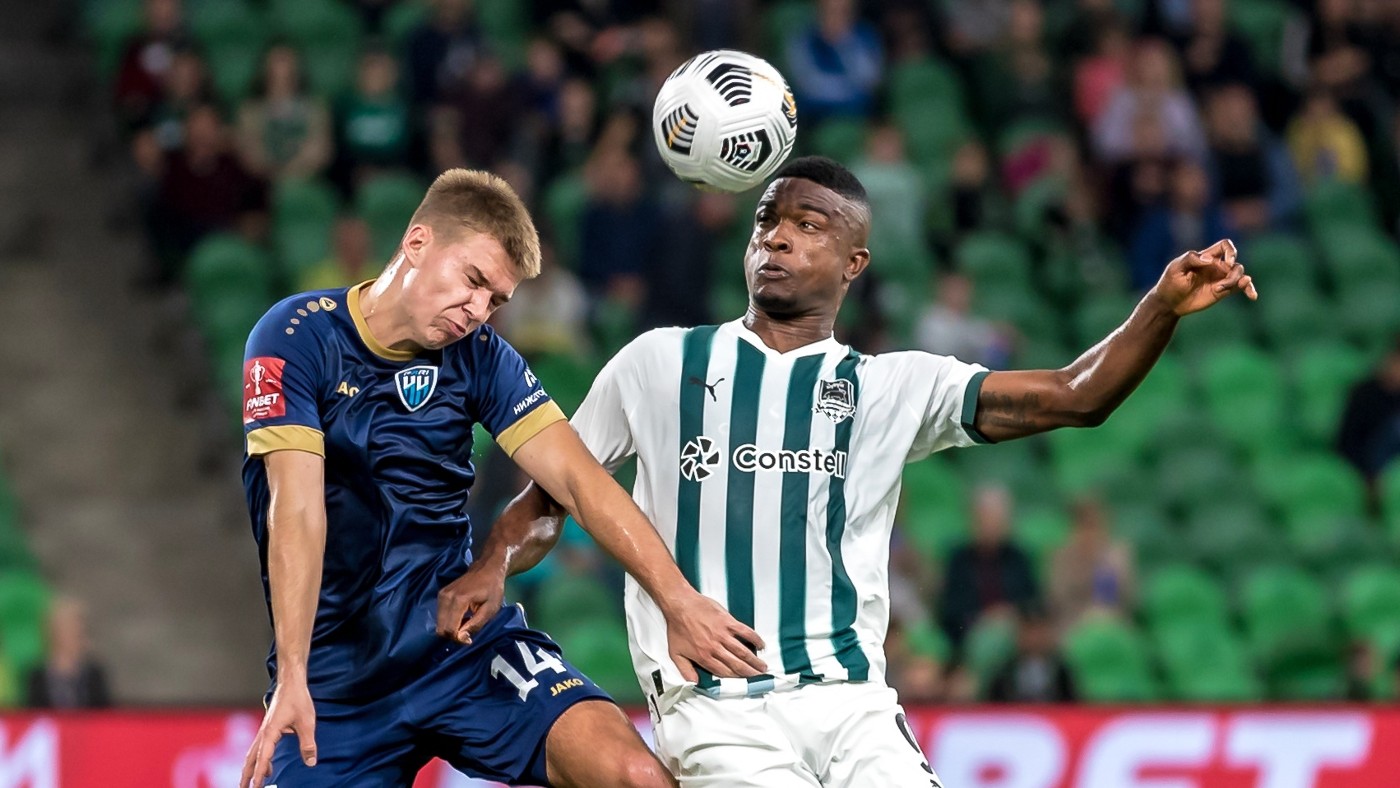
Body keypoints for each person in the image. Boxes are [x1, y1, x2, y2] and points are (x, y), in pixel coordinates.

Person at [448, 156, 1256, 786]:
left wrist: (1158, 307)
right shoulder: (657, 364)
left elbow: (1076, 397)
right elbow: (552, 497)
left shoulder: (892, 386)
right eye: (767, 221)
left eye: (808, 225)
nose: (777, 238)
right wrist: (495, 562)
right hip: (720, 711)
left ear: (854, 261)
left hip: (854, 706)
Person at [237, 168, 764, 788]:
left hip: (458, 644)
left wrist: (678, 600)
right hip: (336, 679)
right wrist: (293, 676)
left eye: (496, 301)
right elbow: (297, 510)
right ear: (417, 243)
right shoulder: (295, 337)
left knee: (632, 774)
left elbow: (579, 482)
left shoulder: (482, 357)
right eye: (474, 280)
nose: (478, 312)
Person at [938, 484, 1039, 645]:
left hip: (1016, 635)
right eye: (988, 518)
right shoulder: (959, 562)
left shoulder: (1018, 559)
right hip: (971, 638)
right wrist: (985, 619)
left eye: (999, 519)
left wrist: (1010, 614)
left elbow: (1031, 603)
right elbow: (952, 614)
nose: (993, 526)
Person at [25, 597, 109, 709]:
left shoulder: (94, 674)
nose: (77, 634)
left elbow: (106, 712)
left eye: (80, 629)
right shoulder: (37, 676)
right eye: (69, 629)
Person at [985, 603, 1076, 703]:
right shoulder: (1004, 673)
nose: (1035, 638)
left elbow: (1071, 704)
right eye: (1029, 630)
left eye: (1040, 630)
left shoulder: (1062, 673)